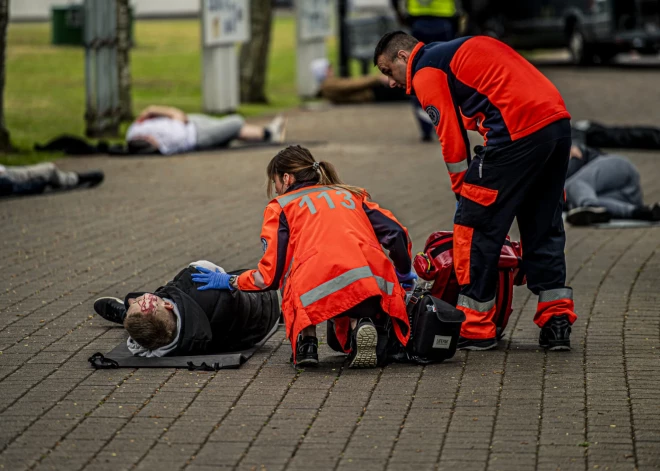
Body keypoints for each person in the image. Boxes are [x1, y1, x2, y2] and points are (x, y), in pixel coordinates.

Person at [374, 32, 576, 351]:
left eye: (387, 71)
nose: (391, 82)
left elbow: (452, 142)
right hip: (557, 125)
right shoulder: (454, 52)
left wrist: (464, 196)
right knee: (544, 225)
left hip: (515, 132)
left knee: (473, 230)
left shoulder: (426, 69)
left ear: (403, 57)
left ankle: (476, 326)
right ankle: (557, 321)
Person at [189, 145, 415, 368]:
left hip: (318, 291)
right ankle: (360, 326)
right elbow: (395, 233)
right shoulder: (350, 194)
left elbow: (271, 276)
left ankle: (307, 343)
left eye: (275, 182)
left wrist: (231, 281)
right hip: (371, 287)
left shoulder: (282, 206)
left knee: (295, 276)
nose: (276, 190)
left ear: (287, 178)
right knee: (354, 281)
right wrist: (403, 273)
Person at [93, 261, 280, 357]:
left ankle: (128, 316)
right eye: (137, 302)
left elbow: (142, 347)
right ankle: (130, 314)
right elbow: (215, 271)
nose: (133, 299)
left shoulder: (164, 346)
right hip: (266, 300)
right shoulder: (193, 278)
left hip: (252, 333)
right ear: (167, 304)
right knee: (213, 279)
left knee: (147, 322)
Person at [391, 0, 459, 141]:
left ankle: (426, 126)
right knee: (445, 74)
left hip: (417, 21)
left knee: (417, 71)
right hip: (444, 19)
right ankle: (449, 126)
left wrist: (398, 12)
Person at [125, 106, 286, 156]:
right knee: (235, 123)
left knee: (229, 129)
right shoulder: (170, 139)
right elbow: (179, 116)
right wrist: (155, 110)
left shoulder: (132, 132)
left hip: (193, 124)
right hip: (198, 134)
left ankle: (268, 133)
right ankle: (268, 134)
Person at [564, 143, 660, 226]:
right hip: (624, 198)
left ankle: (590, 205)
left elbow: (574, 134)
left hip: (614, 168)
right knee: (582, 208)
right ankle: (640, 212)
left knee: (571, 187)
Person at [310, 58, 408, 104]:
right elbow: (353, 85)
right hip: (372, 93)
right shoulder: (329, 84)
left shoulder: (327, 86)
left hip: (371, 94)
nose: (332, 69)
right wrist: (376, 78)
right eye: (328, 68)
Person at [0, 162, 103, 197]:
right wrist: (37, 185)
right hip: (7, 176)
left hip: (6, 171)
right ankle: (74, 179)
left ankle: (73, 178)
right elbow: (10, 186)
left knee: (49, 169)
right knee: (49, 170)